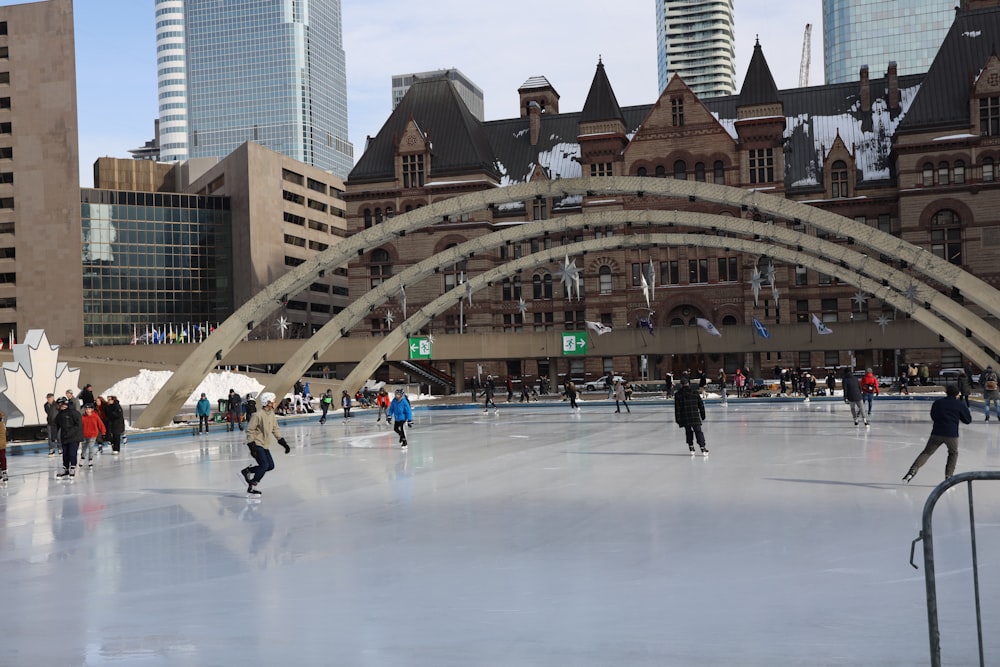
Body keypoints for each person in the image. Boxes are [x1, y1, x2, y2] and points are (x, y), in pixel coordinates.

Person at [903, 385, 972, 483]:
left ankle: (912, 472)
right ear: (956, 394)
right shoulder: (959, 404)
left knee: (926, 453)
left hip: (937, 432)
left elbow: (933, 415)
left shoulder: (938, 403)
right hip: (951, 434)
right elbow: (968, 420)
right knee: (953, 453)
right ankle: (949, 477)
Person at [239, 392, 289, 495]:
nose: (275, 402)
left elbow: (275, 429)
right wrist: (252, 446)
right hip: (256, 443)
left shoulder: (271, 414)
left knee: (270, 466)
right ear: (268, 402)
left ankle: (247, 471)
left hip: (265, 444)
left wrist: (283, 442)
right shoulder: (258, 415)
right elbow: (249, 430)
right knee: (264, 464)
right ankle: (253, 484)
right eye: (273, 401)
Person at [674, 376, 708, 456]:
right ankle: (702, 446)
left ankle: (691, 446)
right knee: (698, 431)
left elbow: (677, 408)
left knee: (688, 431)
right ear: (688, 384)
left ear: (681, 385)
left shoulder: (678, 394)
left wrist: (678, 419)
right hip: (694, 416)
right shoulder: (694, 392)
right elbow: (701, 405)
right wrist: (703, 415)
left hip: (685, 417)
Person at [53, 396, 83, 478]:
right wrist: (54, 436)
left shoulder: (74, 413)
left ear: (64, 404)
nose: (58, 406)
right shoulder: (60, 415)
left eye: (59, 404)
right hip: (64, 437)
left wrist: (70, 433)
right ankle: (65, 468)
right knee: (65, 454)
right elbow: (56, 425)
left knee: (72, 453)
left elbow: (79, 425)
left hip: (74, 437)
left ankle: (73, 467)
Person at [79, 403, 106, 468]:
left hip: (93, 434)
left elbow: (100, 424)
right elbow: (79, 426)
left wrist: (103, 432)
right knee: (84, 448)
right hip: (84, 434)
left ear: (92, 409)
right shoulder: (83, 417)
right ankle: (82, 458)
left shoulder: (95, 416)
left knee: (91, 447)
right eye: (86, 409)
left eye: (89, 409)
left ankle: (90, 460)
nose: (88, 410)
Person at [43, 393, 60, 457]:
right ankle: (51, 449)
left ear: (53, 398)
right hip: (50, 423)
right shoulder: (46, 405)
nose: (49, 399)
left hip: (57, 423)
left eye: (50, 398)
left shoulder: (57, 405)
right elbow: (48, 413)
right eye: (48, 398)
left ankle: (60, 448)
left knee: (58, 436)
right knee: (50, 437)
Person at [0, 410, 7, 483]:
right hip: (2, 444)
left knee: (2, 458)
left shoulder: (1, 424)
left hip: (1, 445)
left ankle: (4, 472)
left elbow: (2, 435)